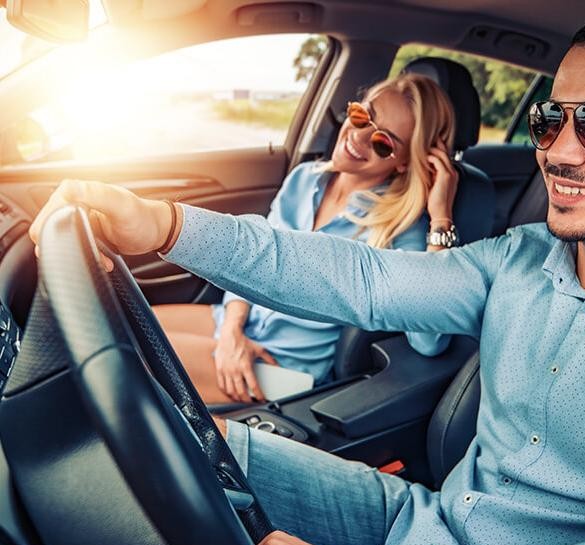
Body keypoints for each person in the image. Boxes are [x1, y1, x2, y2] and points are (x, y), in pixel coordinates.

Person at [29, 10, 585, 545]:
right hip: (425, 521)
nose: (561, 151)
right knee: (194, 442)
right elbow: (360, 280)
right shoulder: (524, 257)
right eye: (550, 119)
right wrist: (163, 225)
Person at [153, 73, 459, 404]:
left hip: (282, 366)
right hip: (240, 324)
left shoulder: (400, 229)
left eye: (383, 142)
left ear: (404, 163)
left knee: (131, 355)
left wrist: (441, 217)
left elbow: (429, 341)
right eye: (362, 116)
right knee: (123, 320)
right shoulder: (304, 179)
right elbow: (250, 258)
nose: (358, 136)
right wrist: (231, 331)